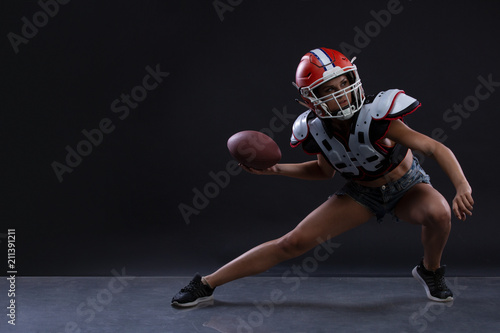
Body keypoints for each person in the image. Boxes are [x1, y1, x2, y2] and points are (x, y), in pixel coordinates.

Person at [171, 47, 474, 307]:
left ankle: (430, 270)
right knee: (290, 243)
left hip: (407, 188)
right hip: (362, 193)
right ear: (308, 100)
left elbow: (434, 147)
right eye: (328, 90)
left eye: (343, 82)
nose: (340, 93)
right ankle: (206, 284)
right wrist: (275, 169)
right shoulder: (314, 128)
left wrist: (461, 185)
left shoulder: (378, 116)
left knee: (439, 213)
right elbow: (324, 171)